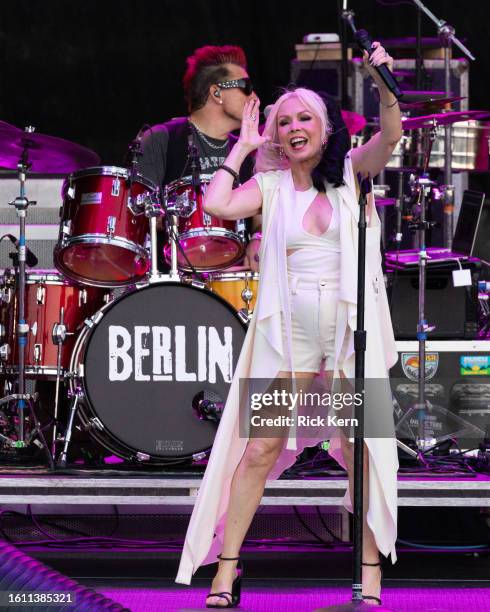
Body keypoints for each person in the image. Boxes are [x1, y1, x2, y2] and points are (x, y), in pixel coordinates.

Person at [176, 42, 402, 608]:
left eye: (305, 118)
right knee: (259, 449)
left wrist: (381, 82)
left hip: (350, 335)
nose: (295, 127)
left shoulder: (352, 175)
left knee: (360, 449)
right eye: (284, 121)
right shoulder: (273, 188)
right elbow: (219, 204)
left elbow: (391, 136)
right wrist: (243, 148)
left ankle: (369, 571)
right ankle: (226, 569)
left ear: (324, 130)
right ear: (276, 135)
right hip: (291, 337)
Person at [137, 44, 260, 270]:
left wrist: (259, 238)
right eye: (246, 86)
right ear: (216, 93)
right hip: (174, 280)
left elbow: (261, 218)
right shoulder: (160, 139)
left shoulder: (249, 150)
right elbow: (136, 215)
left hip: (236, 283)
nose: (253, 95)